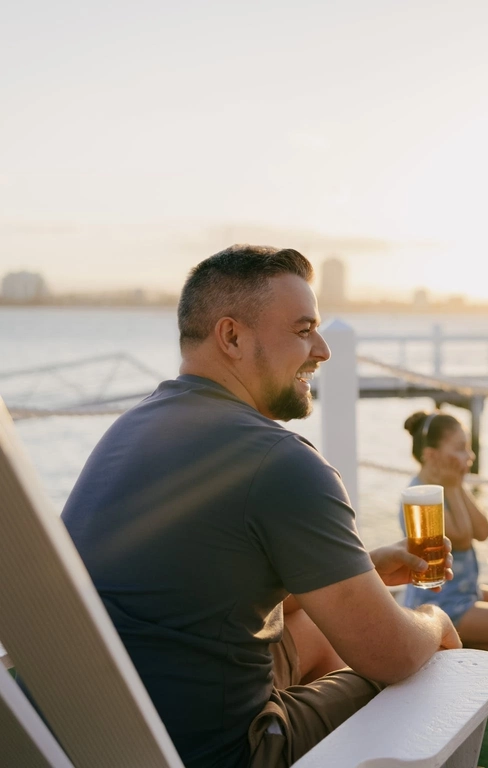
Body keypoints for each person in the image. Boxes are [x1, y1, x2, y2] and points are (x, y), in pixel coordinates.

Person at [61, 245, 462, 768]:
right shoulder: (279, 461)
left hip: (98, 739)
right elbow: (391, 655)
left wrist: (357, 575)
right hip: (220, 753)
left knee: (320, 629)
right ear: (231, 336)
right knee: (433, 645)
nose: (322, 349)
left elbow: (197, 591)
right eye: (302, 330)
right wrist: (432, 618)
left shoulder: (130, 432)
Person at [399, 410, 488, 653]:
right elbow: (463, 539)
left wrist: (456, 485)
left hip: (466, 593)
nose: (470, 456)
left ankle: (460, 645)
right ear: (431, 456)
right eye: (459, 449)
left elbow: (482, 531)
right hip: (441, 603)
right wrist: (454, 486)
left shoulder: (449, 482)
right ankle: (445, 638)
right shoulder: (420, 498)